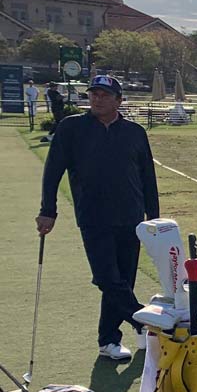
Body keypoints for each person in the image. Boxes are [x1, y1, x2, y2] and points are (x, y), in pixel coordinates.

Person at [37, 75, 159, 361]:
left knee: (123, 279)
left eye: (104, 95)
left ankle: (109, 340)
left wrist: (153, 217)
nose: (97, 99)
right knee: (106, 277)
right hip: (93, 215)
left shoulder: (135, 132)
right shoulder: (71, 128)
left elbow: (147, 177)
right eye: (94, 94)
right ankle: (143, 320)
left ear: (119, 100)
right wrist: (48, 210)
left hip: (131, 216)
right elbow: (53, 170)